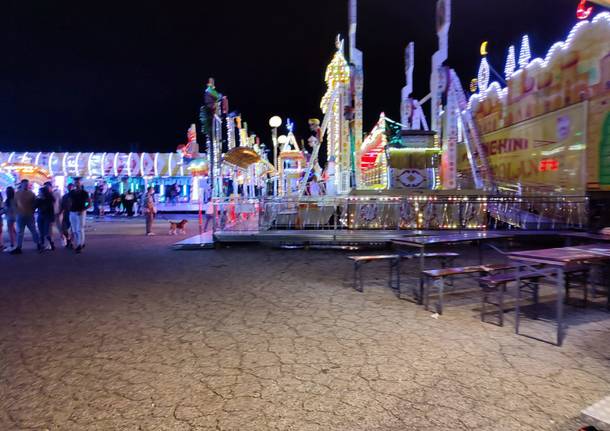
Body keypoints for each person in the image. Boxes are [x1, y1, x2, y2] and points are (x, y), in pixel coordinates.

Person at [11, 179, 41, 254]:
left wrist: (33, 210)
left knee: (33, 231)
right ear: (21, 184)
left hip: (29, 215)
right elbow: (14, 204)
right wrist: (17, 213)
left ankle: (38, 244)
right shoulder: (17, 194)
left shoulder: (31, 193)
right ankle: (19, 247)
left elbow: (35, 203)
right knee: (20, 232)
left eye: (27, 184)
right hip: (21, 215)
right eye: (25, 184)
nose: (26, 186)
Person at [69, 178, 90, 253]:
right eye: (75, 183)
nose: (77, 184)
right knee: (74, 230)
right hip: (72, 212)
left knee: (79, 229)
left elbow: (88, 203)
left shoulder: (84, 193)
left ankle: (79, 245)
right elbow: (70, 201)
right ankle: (81, 243)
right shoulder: (71, 192)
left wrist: (83, 209)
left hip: (80, 212)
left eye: (78, 183)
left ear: (81, 184)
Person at [36, 183, 56, 251]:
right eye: (39, 192)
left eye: (40, 192)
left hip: (47, 217)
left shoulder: (49, 199)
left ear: (44, 192)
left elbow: (50, 209)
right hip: (40, 217)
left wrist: (52, 219)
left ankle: (51, 244)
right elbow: (35, 207)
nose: (39, 193)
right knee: (41, 232)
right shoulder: (39, 199)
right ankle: (42, 245)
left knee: (46, 233)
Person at [61, 183, 74, 248]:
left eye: (71, 187)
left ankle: (70, 242)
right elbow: (62, 205)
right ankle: (68, 239)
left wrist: (83, 209)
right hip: (66, 214)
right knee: (64, 229)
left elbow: (86, 202)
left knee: (73, 229)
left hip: (73, 214)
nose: (69, 188)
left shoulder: (76, 196)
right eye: (68, 187)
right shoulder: (65, 196)